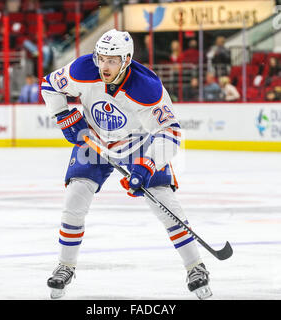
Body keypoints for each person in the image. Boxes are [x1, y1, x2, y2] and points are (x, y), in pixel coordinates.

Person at [41, 29, 212, 300]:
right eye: (101, 58)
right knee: (75, 198)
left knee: (164, 202)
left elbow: (170, 133)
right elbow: (49, 85)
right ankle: (65, 266)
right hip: (95, 141)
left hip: (138, 143)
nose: (104, 66)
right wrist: (65, 115)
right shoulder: (83, 68)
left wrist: (147, 165)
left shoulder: (147, 87)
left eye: (112, 60)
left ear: (127, 59)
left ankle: (195, 266)